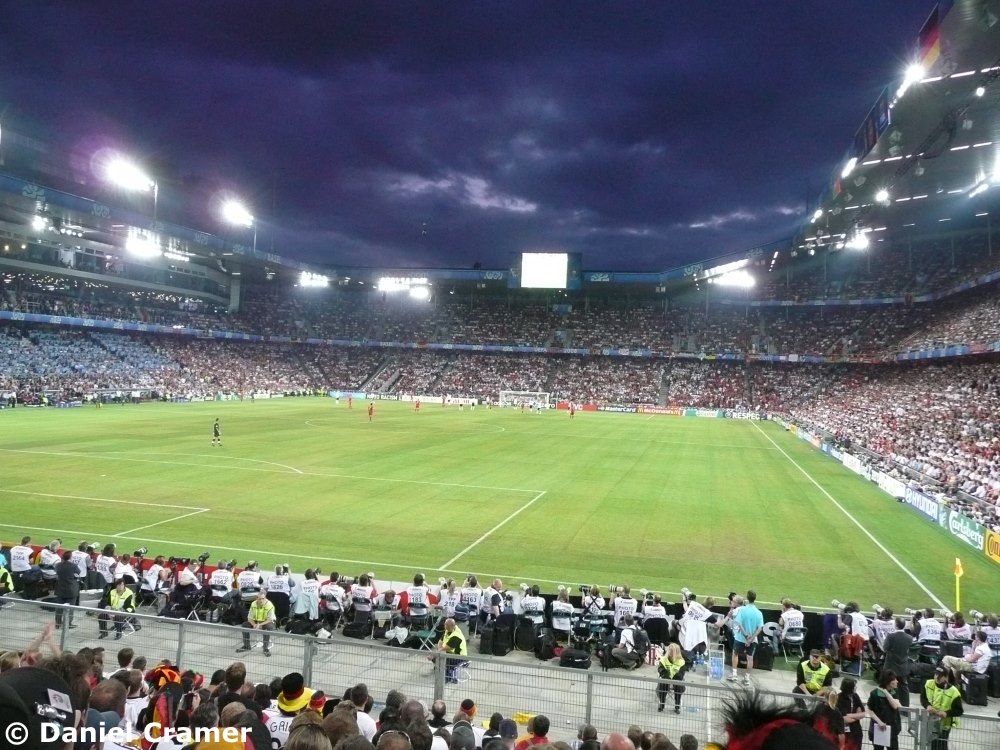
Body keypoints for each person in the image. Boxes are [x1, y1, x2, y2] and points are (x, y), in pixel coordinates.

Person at [920, 667, 963, 749]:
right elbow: (923, 698)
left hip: (944, 725)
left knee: (941, 746)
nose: (936, 677)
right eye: (935, 674)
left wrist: (946, 713)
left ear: (946, 677)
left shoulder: (954, 692)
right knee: (931, 744)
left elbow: (959, 710)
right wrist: (927, 705)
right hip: (931, 721)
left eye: (940, 675)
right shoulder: (928, 684)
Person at [730, 590, 764, 685]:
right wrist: (751, 639)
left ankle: (734, 675)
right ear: (755, 598)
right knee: (750, 658)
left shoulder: (742, 610)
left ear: (747, 598)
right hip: (752, 640)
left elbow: (739, 623)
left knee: (735, 654)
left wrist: (745, 635)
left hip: (740, 638)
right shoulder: (759, 613)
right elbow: (760, 628)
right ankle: (747, 678)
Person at [867, 669, 903, 750]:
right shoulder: (875, 694)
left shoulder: (894, 691)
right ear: (888, 681)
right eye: (894, 679)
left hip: (892, 730)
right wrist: (879, 722)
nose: (897, 681)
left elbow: (895, 706)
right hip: (878, 729)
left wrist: (886, 693)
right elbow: (869, 709)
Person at [881, 618, 913, 707]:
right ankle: (906, 708)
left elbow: (885, 648)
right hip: (903, 667)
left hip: (890, 667)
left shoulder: (890, 636)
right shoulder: (909, 638)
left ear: (895, 625)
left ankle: (886, 706)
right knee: (904, 687)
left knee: (886, 687)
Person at [238, 590, 276, 656]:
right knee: (244, 625)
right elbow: (249, 618)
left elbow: (270, 619)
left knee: (269, 627)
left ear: (265, 598)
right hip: (256, 622)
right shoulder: (253, 604)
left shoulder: (270, 605)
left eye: (263, 599)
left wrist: (260, 625)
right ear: (256, 598)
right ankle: (246, 646)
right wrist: (254, 625)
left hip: (266, 622)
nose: (261, 600)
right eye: (259, 599)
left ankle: (265, 648)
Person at [656, 643, 687, 713]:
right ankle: (662, 704)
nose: (670, 652)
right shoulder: (663, 660)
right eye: (669, 650)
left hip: (676, 680)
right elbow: (660, 670)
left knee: (679, 685)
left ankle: (677, 706)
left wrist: (674, 676)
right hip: (666, 679)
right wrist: (667, 675)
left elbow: (681, 675)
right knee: (663, 684)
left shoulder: (681, 662)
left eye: (672, 651)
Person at [435, 618, 468, 683]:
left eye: (448, 626)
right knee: (437, 658)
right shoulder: (448, 630)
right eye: (445, 625)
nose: (446, 627)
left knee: (442, 659)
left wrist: (438, 651)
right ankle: (442, 670)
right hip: (451, 653)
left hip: (460, 657)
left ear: (452, 626)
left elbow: (447, 647)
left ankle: (447, 678)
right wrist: (439, 650)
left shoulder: (456, 636)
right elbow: (440, 642)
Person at [53, 550, 80, 629]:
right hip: (71, 589)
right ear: (70, 557)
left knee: (59, 608)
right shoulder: (73, 566)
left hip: (60, 588)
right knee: (70, 608)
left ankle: (58, 623)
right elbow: (78, 573)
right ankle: (68, 623)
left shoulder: (58, 565)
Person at [836, 678, 865, 750]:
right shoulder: (839, 698)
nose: (856, 687)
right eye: (854, 686)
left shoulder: (855, 696)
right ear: (849, 687)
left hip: (856, 730)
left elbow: (863, 714)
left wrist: (850, 715)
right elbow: (844, 719)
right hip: (844, 731)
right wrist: (857, 716)